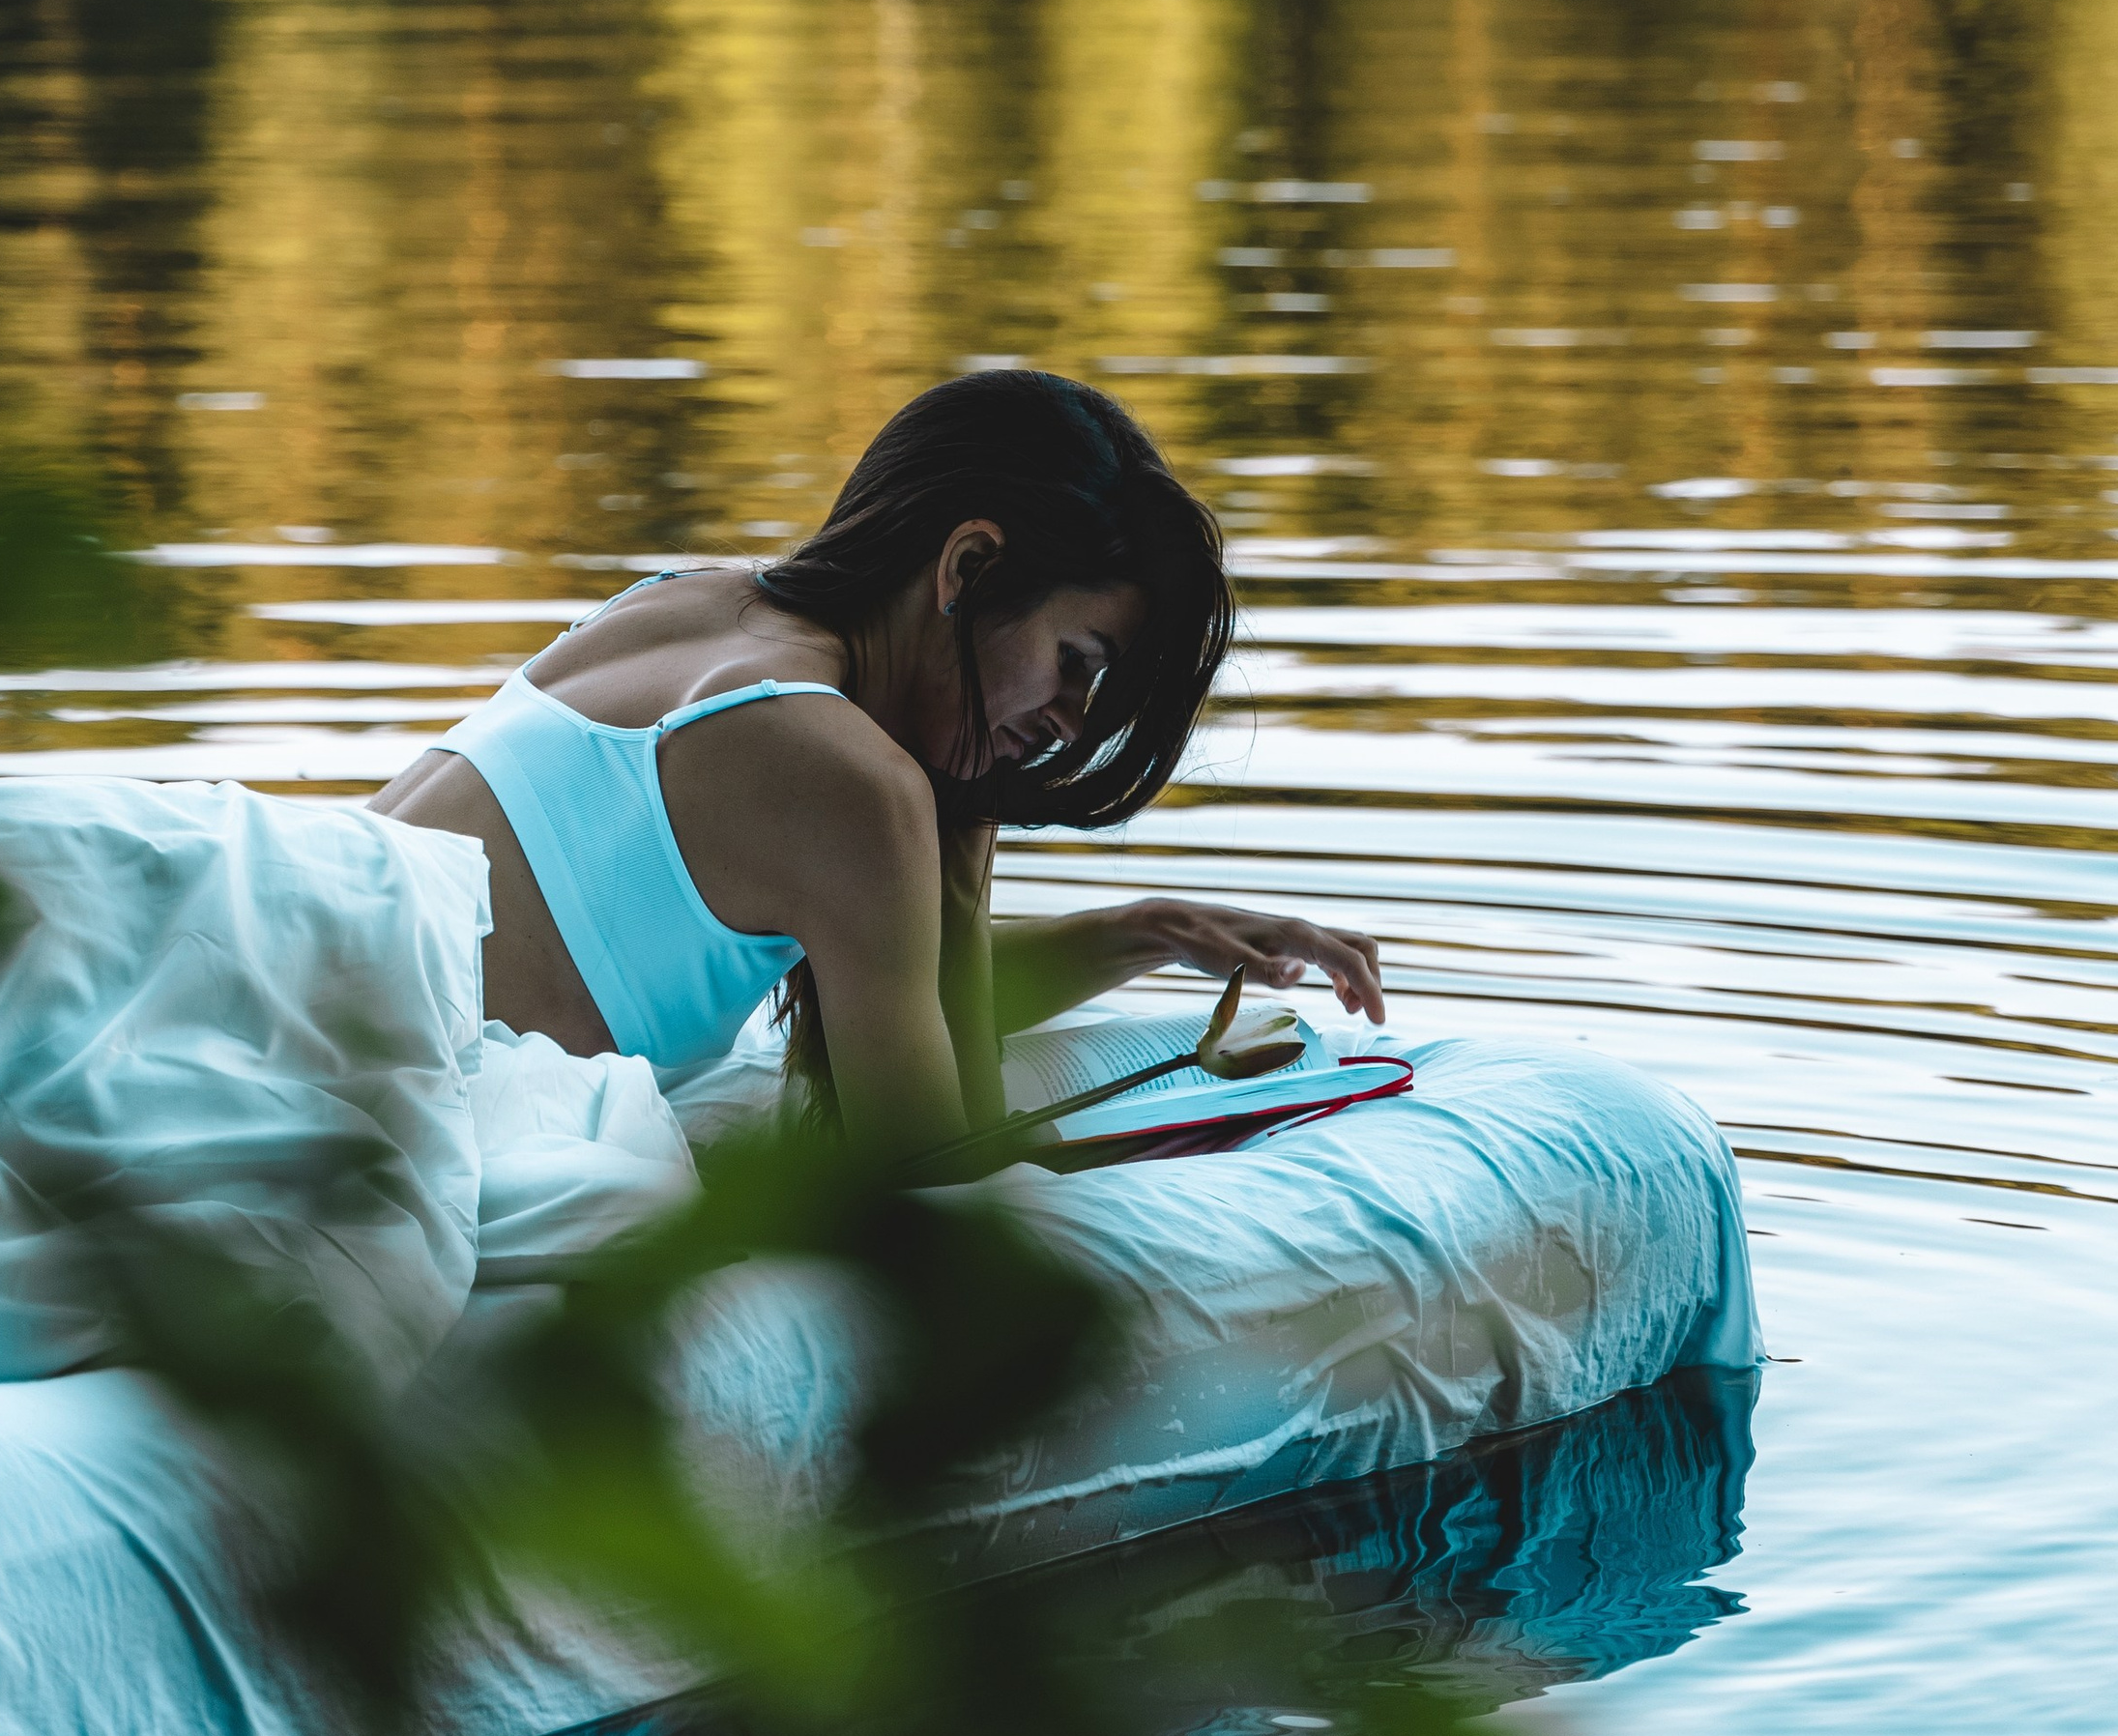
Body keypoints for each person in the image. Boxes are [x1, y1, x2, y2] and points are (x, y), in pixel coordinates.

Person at [373, 369, 1385, 1163]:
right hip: (369, 1087)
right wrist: (964, 834)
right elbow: (934, 1166)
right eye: (1075, 663)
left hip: (316, 956)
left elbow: (893, 983)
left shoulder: (688, 601)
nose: (1072, 727)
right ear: (967, 568)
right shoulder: (845, 780)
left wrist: (1152, 928)